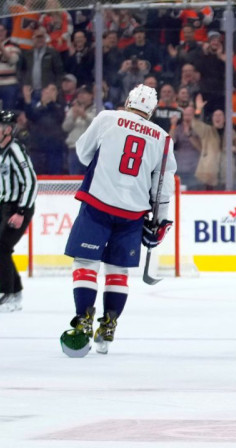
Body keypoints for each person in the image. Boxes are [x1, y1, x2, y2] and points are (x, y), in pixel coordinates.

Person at [59, 84, 176, 357]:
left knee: (86, 263)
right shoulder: (162, 137)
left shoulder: (107, 118)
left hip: (98, 203)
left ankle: (84, 318)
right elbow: (162, 185)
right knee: (118, 271)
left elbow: (83, 152)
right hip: (132, 214)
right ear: (152, 110)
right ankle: (109, 325)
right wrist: (160, 221)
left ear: (127, 100)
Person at [0, 110, 38, 312]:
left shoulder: (16, 150)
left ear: (8, 130)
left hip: (18, 207)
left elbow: (31, 181)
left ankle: (6, 292)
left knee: (0, 248)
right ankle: (14, 293)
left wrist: (21, 211)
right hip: (3, 205)